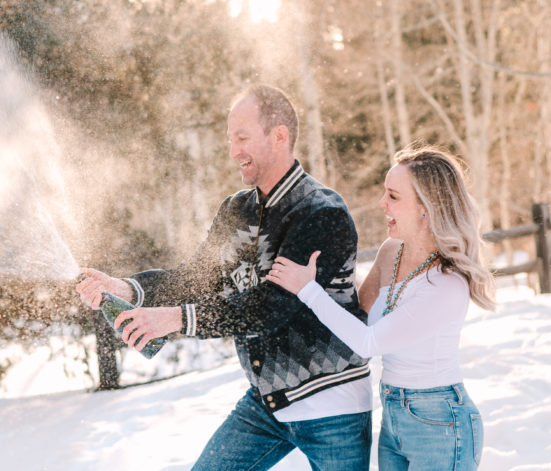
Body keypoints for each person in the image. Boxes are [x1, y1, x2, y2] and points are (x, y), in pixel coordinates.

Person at [76, 84, 372, 470]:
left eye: (243, 138)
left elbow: (270, 308)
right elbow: (195, 279)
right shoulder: (236, 210)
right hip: (266, 406)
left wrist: (177, 319)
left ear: (279, 136)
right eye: (231, 139)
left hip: (331, 404)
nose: (234, 152)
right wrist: (127, 288)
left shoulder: (320, 212)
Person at [266, 144, 494, 470]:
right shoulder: (392, 252)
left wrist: (308, 290)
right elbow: (358, 312)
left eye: (393, 196)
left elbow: (368, 342)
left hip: (440, 422)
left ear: (425, 208)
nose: (381, 203)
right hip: (393, 414)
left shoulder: (446, 284)